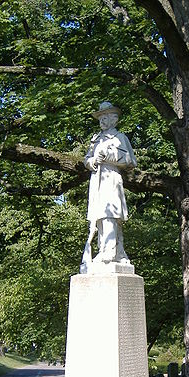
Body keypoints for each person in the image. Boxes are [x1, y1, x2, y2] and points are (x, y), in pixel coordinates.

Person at [81, 102, 137, 269]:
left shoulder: (119, 138)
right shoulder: (95, 139)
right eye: (100, 118)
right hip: (97, 178)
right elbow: (87, 159)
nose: (102, 121)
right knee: (99, 216)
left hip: (111, 177)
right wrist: (91, 162)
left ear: (114, 119)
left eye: (105, 117)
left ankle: (110, 251)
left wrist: (109, 156)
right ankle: (108, 250)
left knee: (110, 213)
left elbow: (130, 160)